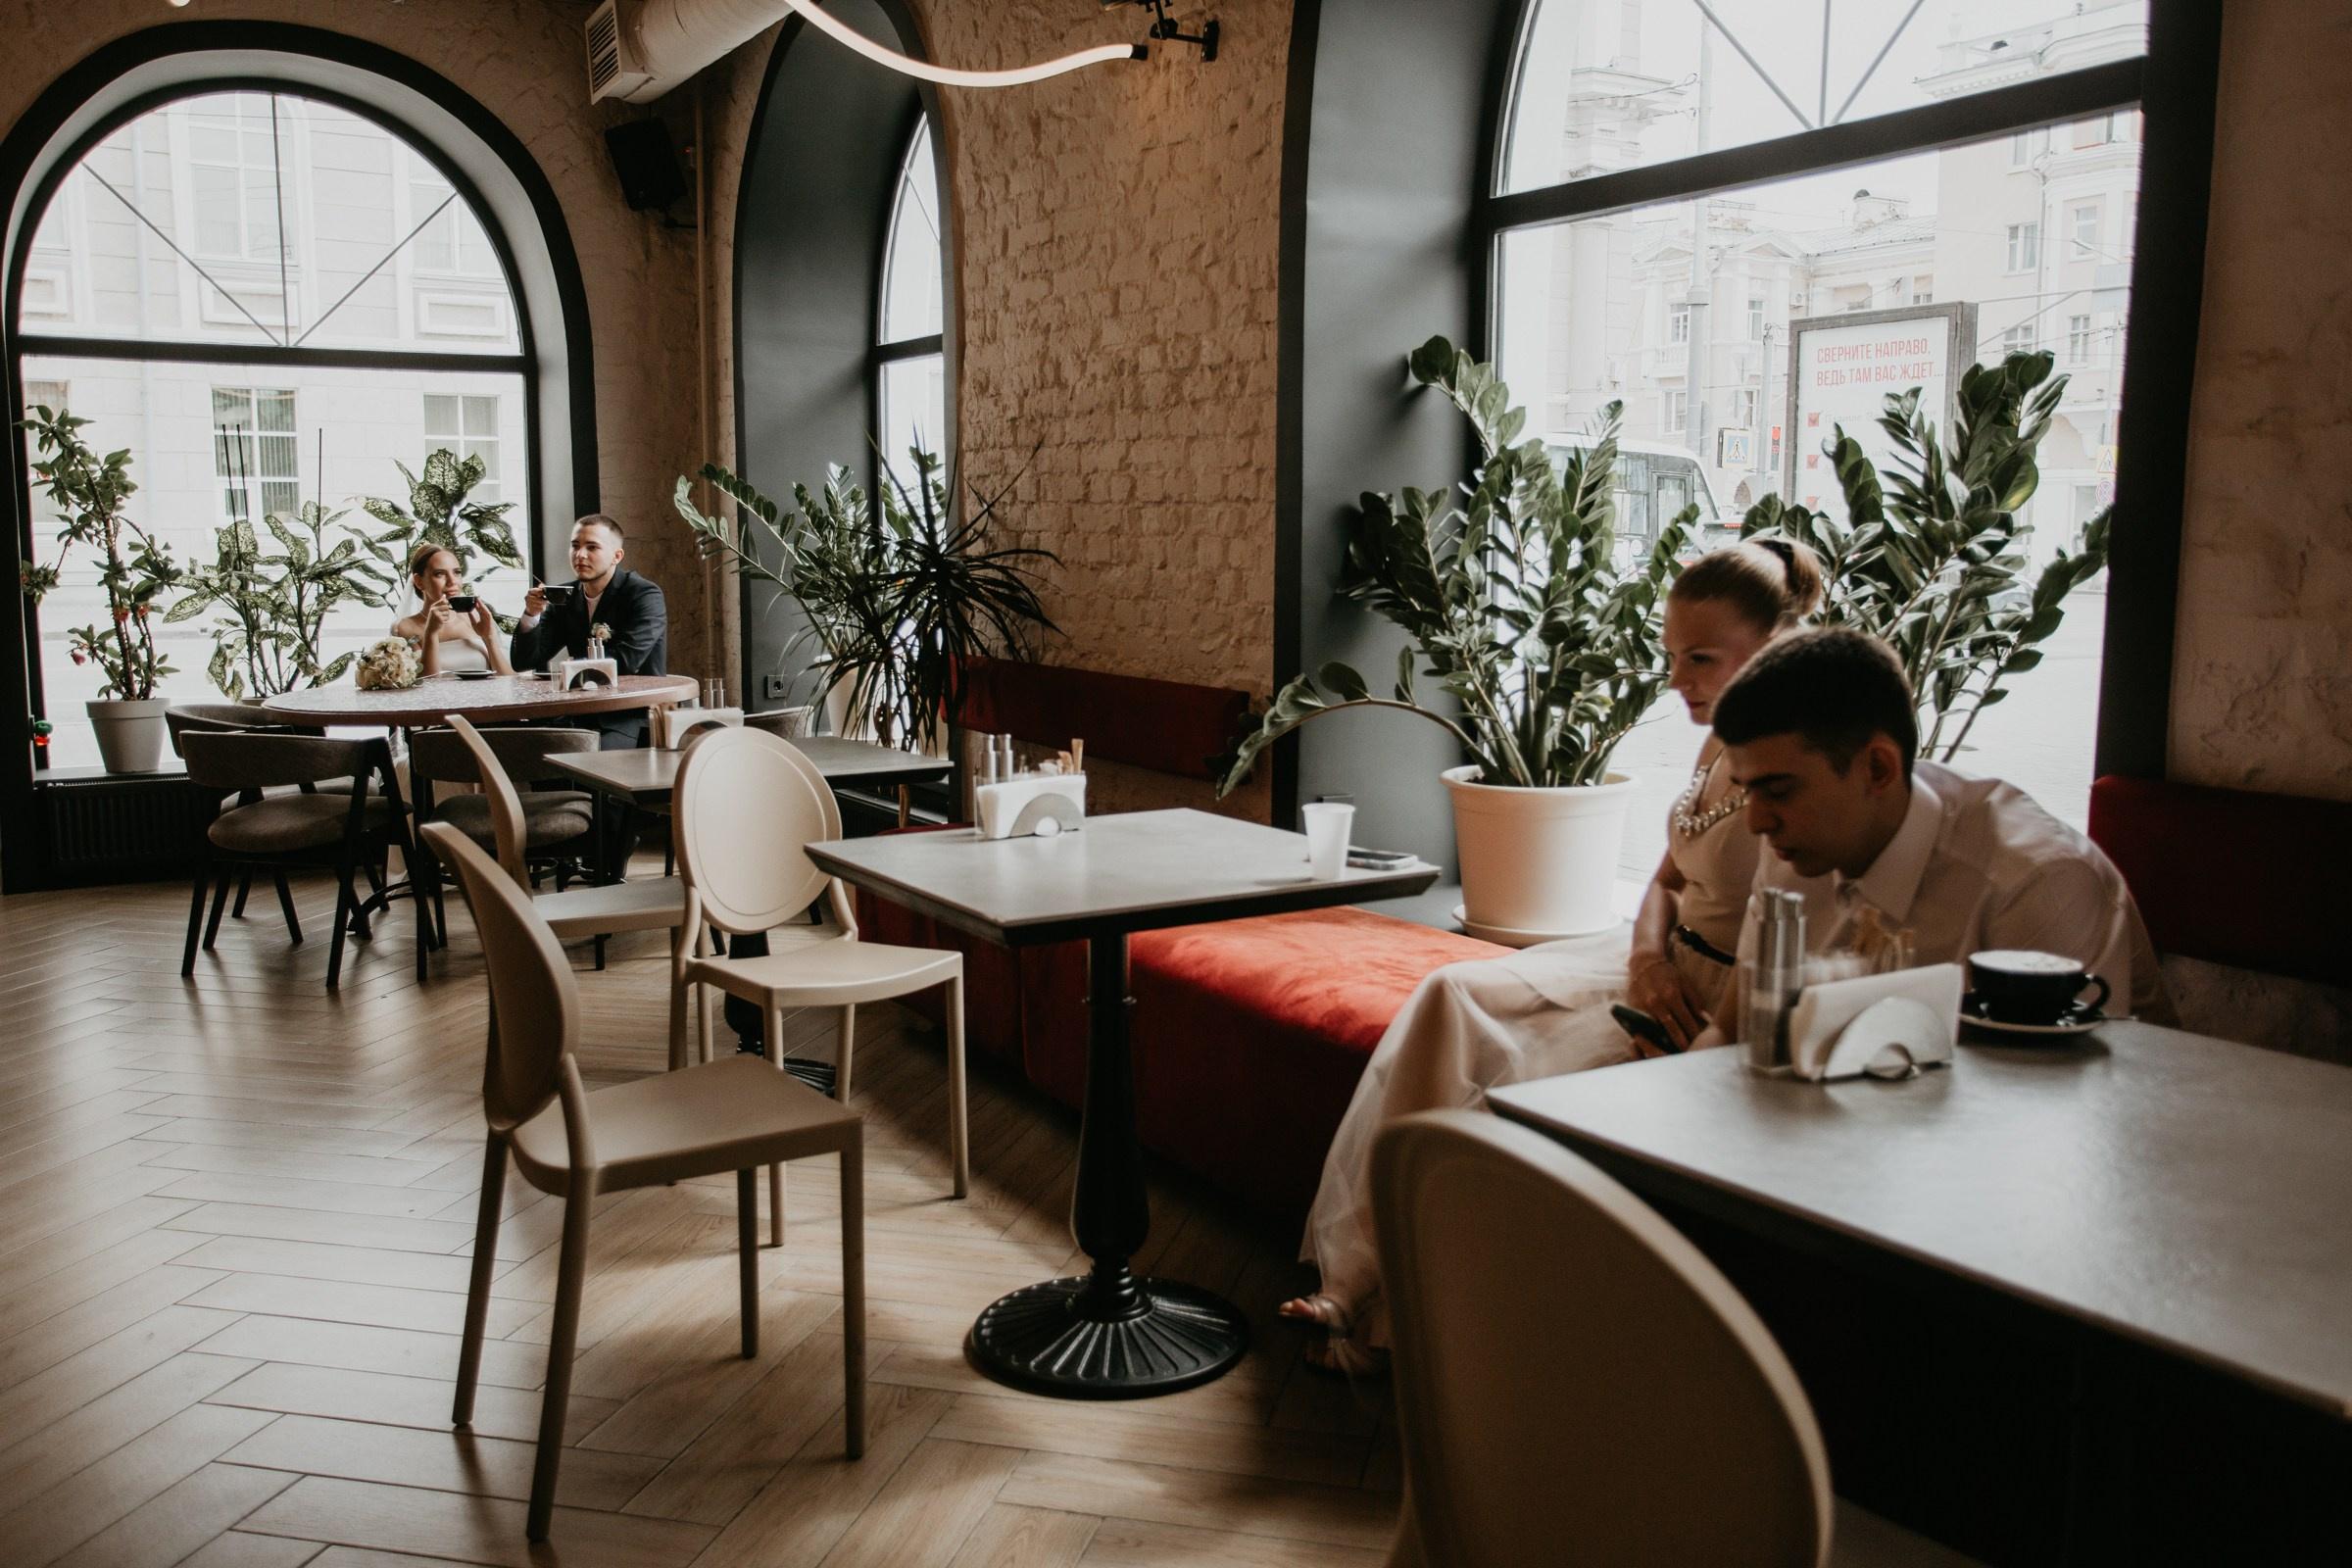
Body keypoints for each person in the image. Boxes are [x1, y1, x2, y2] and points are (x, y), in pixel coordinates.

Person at [1280, 539, 1824, 1373]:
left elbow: (1788, 938)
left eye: (1701, 659)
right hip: (1652, 956)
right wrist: (1647, 961)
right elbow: (1665, 880)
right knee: (1450, 993)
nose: (1677, 679)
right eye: (1672, 656)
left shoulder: (1797, 766)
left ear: (1775, 644)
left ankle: (1437, 1320)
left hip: (1719, 996)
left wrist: (1695, 1024)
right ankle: (1353, 1284)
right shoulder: (1718, 738)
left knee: (1522, 1088)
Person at [1688, 625, 2173, 1053]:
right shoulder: (1793, 847)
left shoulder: (2034, 882)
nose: (1756, 822)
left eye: (1778, 791)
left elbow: (2058, 1101)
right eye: (1748, 791)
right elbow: (1731, 1033)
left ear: (1878, 769)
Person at [511, 514, 668, 750]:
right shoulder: (565, 596)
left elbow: (626, 661)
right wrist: (531, 614)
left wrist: (569, 668)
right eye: (575, 546)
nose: (580, 554)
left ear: (617, 556)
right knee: (522, 748)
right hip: (575, 714)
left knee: (584, 756)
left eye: (592, 547)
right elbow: (524, 661)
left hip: (627, 715)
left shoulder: (644, 595)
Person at [392, 544, 514, 677]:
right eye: (440, 574)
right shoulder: (405, 627)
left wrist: (489, 638)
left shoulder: (474, 619)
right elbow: (428, 683)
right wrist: (431, 633)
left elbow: (508, 681)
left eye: (457, 572)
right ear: (419, 581)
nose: (452, 581)